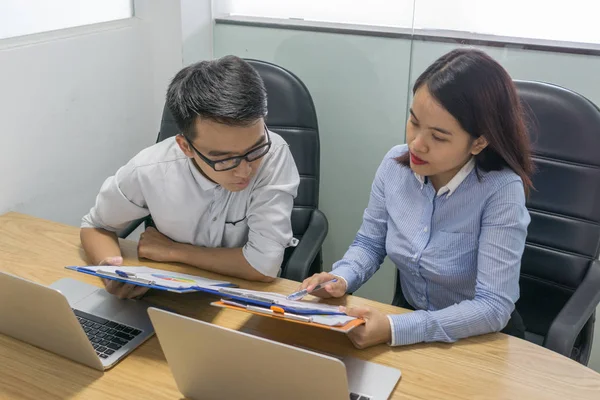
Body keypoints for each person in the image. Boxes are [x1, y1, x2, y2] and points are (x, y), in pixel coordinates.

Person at [300, 48, 534, 349]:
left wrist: (397, 328)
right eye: (413, 122)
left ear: (478, 142)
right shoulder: (394, 166)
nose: (416, 144)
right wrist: (340, 279)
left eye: (438, 137)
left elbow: (492, 306)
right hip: (408, 323)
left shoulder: (501, 190)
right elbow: (370, 244)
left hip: (477, 339)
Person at [80, 55, 300, 299]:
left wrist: (174, 251)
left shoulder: (274, 154)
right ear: (185, 147)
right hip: (168, 297)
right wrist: (111, 270)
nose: (244, 170)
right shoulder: (150, 168)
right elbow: (96, 226)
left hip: (246, 296)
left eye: (255, 149)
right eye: (224, 159)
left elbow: (263, 265)